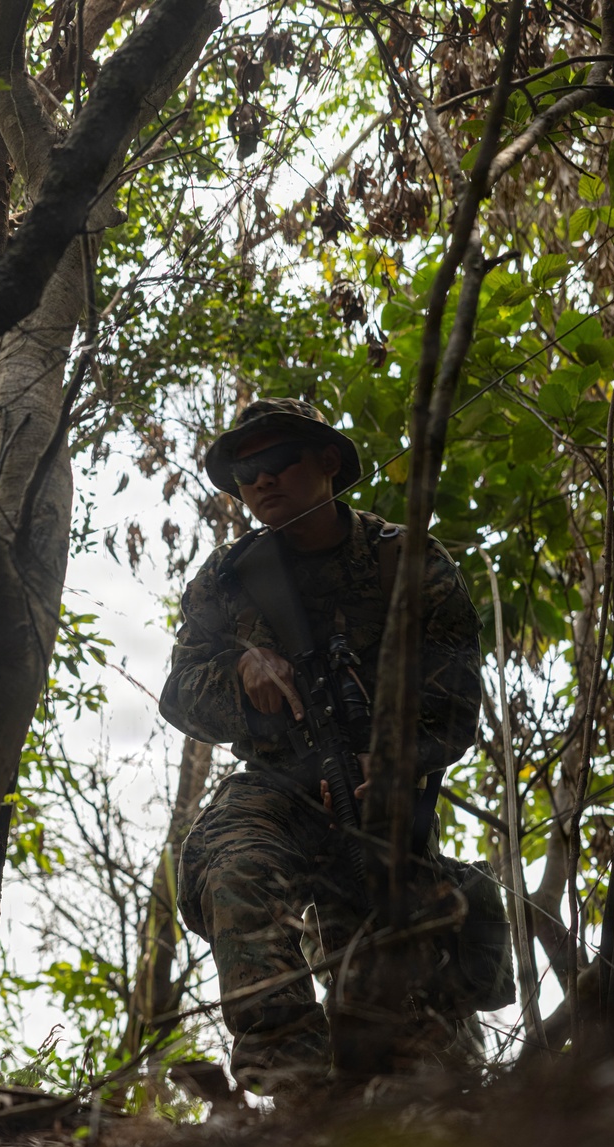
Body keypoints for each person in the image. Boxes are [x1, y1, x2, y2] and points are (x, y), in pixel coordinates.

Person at [159, 398, 482, 1092]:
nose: (262, 480)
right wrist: (241, 676)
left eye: (278, 460)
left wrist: (392, 764)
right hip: (276, 784)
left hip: (383, 801)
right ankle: (294, 1090)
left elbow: (456, 708)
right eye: (246, 471)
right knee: (232, 861)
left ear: (328, 462)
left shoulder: (409, 562)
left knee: (398, 1003)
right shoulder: (228, 575)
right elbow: (180, 693)